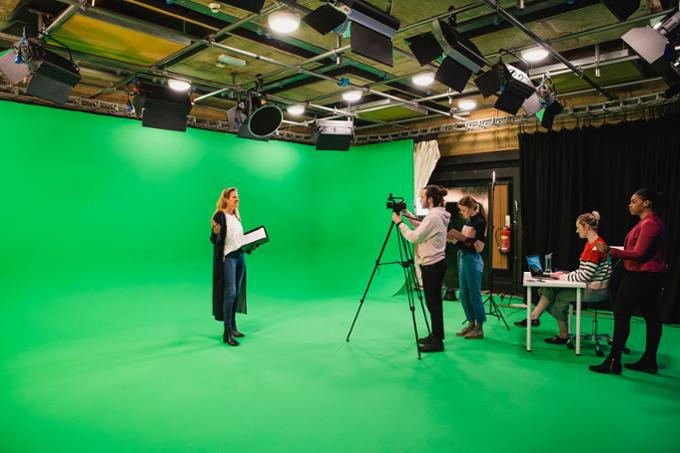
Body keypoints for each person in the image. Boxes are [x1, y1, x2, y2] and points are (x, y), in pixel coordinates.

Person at [590, 189, 668, 375]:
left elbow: (639, 254)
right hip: (650, 277)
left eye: (634, 201)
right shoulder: (650, 223)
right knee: (651, 316)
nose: (630, 205)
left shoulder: (650, 224)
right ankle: (649, 360)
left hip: (642, 277)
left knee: (622, 314)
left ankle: (613, 361)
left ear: (646, 203)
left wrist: (610, 250)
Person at [514, 211, 612, 344]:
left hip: (595, 291)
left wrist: (563, 278)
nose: (577, 231)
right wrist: (565, 275)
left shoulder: (595, 247)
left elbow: (585, 275)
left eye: (578, 227)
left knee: (559, 299)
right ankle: (534, 317)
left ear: (587, 227)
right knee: (547, 289)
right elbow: (584, 271)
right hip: (590, 286)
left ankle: (563, 335)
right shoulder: (593, 243)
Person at [394, 185, 450, 353]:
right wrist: (406, 214)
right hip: (434, 264)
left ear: (430, 199)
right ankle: (435, 335)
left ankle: (437, 341)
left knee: (433, 304)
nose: (420, 199)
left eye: (422, 197)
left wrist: (399, 224)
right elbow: (421, 226)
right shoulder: (436, 215)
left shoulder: (433, 218)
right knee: (433, 303)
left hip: (432, 265)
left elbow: (414, 236)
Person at [210, 187, 251, 347]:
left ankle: (233, 326)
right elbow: (214, 239)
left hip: (240, 257)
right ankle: (226, 332)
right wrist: (215, 233)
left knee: (238, 292)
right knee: (230, 292)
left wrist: (251, 245)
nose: (237, 199)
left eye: (238, 197)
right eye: (234, 197)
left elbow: (239, 239)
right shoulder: (220, 216)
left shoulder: (236, 217)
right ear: (226, 199)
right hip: (229, 259)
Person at [448, 196, 487, 339]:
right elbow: (466, 243)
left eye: (464, 210)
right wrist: (456, 241)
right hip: (463, 259)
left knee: (474, 295)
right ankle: (471, 324)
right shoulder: (469, 221)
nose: (462, 212)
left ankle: (479, 328)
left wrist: (455, 241)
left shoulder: (480, 222)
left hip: (472, 260)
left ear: (471, 208)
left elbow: (475, 247)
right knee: (464, 294)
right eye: (461, 210)